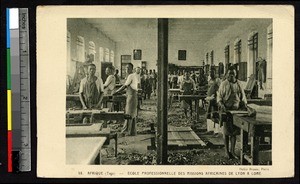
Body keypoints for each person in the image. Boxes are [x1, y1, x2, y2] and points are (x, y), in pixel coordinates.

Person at [217, 67, 247, 159]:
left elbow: (243, 97)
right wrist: (221, 104)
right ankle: (227, 151)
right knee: (226, 132)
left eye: (233, 74)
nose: (231, 75)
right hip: (226, 111)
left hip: (236, 111)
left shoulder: (239, 84)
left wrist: (244, 105)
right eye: (229, 74)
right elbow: (219, 97)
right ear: (227, 74)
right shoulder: (224, 84)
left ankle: (233, 151)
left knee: (234, 133)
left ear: (235, 74)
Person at [114, 63, 138, 136]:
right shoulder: (133, 76)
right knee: (132, 114)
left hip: (131, 97)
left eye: (128, 68)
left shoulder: (131, 76)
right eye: (126, 68)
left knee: (128, 114)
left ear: (132, 69)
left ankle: (126, 131)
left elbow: (124, 86)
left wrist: (116, 92)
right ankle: (132, 132)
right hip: (131, 96)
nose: (126, 69)